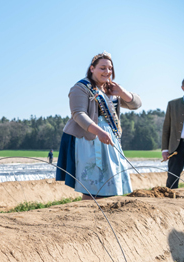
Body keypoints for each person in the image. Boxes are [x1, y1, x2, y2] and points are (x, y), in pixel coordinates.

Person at [56, 52, 142, 200]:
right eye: (102, 68)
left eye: (110, 69)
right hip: (88, 138)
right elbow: (78, 114)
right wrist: (99, 132)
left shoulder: (111, 89)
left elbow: (136, 104)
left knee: (111, 185)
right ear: (92, 69)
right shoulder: (81, 87)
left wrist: (121, 92)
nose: (107, 72)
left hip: (109, 139)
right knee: (92, 187)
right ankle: (89, 216)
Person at [162, 75, 184, 188]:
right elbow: (166, 128)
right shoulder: (172, 104)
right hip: (176, 146)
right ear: (183, 88)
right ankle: (170, 202)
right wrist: (165, 149)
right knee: (172, 177)